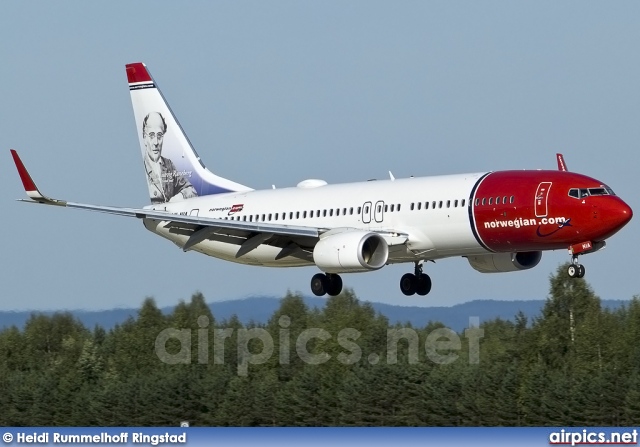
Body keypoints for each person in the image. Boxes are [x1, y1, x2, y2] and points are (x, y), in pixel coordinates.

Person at [142, 112, 198, 204]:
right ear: (144, 138)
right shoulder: (142, 167)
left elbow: (191, 190)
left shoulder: (168, 165)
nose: (156, 142)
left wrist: (179, 198)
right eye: (151, 135)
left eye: (159, 135)